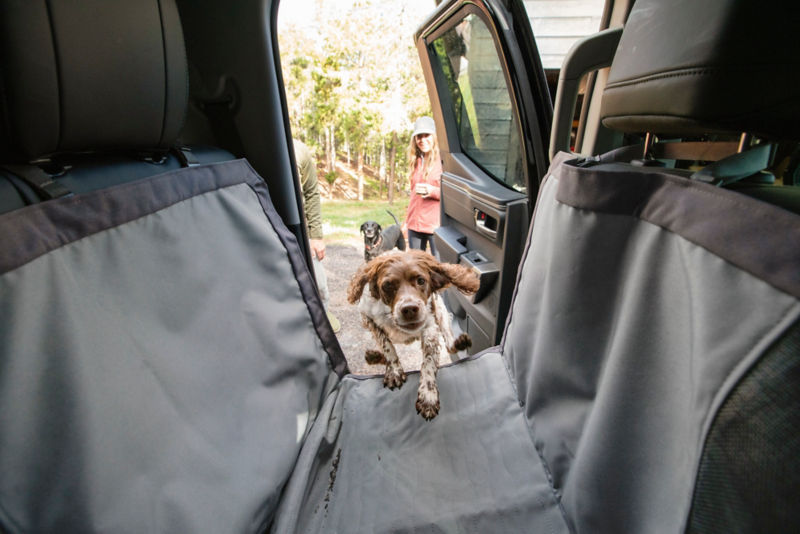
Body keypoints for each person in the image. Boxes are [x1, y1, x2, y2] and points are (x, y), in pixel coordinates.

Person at [293, 138, 340, 333]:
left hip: (302, 230)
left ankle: (322, 322)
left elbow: (311, 193)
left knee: (319, 284)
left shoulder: (299, 149)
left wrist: (316, 236)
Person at [402, 116, 442, 256]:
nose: (422, 140)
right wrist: (407, 221)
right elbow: (413, 195)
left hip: (434, 226)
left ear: (435, 137)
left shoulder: (443, 161)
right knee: (414, 267)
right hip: (415, 224)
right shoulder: (417, 161)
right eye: (419, 136)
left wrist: (433, 191)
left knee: (438, 269)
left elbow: (452, 192)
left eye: (427, 135)